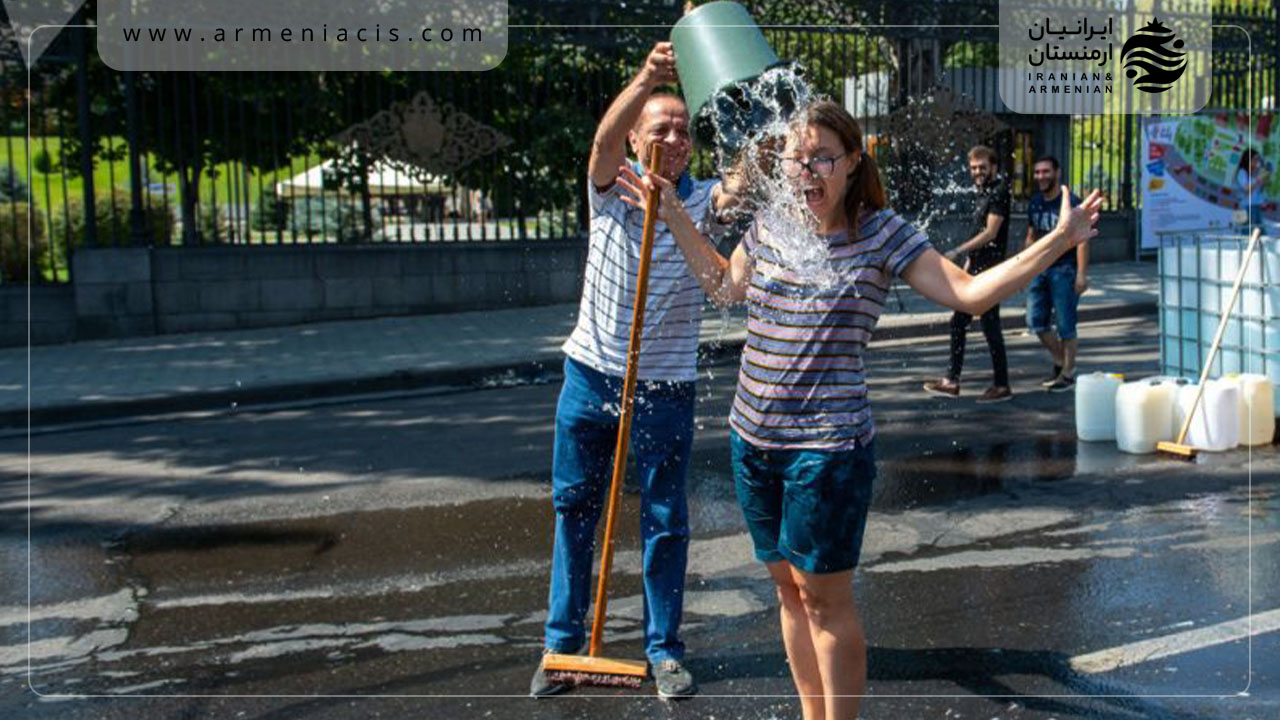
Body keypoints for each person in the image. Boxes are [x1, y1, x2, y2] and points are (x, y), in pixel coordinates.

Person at [617, 100, 1101, 720]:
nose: (807, 169)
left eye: (823, 156)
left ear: (851, 162)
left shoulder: (882, 233)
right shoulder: (771, 222)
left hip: (828, 450)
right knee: (787, 592)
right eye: (797, 158)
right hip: (752, 441)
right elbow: (721, 287)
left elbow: (970, 294)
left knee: (825, 602)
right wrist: (675, 213)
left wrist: (1060, 240)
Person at [530, 41, 738, 700]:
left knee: (665, 519)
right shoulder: (610, 187)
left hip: (665, 387)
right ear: (636, 136)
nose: (673, 136)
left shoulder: (703, 200)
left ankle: (664, 650)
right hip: (591, 377)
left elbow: (748, 183)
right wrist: (647, 78)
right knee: (575, 512)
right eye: (659, 126)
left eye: (682, 129)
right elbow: (599, 143)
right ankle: (561, 646)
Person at [923, 145, 1013, 403]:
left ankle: (982, 383)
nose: (977, 172)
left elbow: (990, 233)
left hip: (990, 271)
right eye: (973, 167)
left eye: (982, 167)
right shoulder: (984, 191)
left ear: (993, 167)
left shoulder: (998, 192)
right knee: (969, 324)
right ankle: (966, 381)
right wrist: (968, 264)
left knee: (985, 325)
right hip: (977, 269)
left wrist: (958, 251)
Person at [1024, 155, 1087, 392]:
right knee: (1035, 322)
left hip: (1065, 270)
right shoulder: (1035, 202)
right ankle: (1061, 361)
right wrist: (1023, 268)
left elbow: (1082, 241)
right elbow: (1031, 236)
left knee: (1065, 324)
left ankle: (1068, 373)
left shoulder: (1071, 202)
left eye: (1046, 172)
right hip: (1040, 269)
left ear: (1057, 172)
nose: (1041, 176)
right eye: (1037, 172)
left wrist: (1081, 274)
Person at [1235, 149, 1270, 231]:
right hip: (1245, 207)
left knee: (1261, 234)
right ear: (1248, 159)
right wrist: (1258, 180)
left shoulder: (1255, 172)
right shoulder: (1241, 172)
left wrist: (1264, 180)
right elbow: (1247, 189)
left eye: (1258, 159)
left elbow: (1259, 190)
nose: (1257, 162)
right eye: (1255, 159)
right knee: (1247, 234)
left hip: (1256, 206)